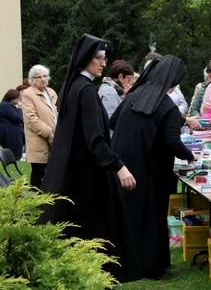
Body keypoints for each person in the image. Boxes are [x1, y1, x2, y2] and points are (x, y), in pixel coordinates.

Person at [39, 33, 142, 283]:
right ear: (85, 58)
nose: (103, 63)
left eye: (104, 58)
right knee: (93, 228)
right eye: (98, 58)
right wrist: (119, 167)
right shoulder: (85, 90)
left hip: (75, 171)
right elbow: (95, 138)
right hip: (87, 174)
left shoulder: (74, 86)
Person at [111, 55, 198, 279]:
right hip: (150, 167)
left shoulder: (135, 95)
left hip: (124, 162)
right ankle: (151, 264)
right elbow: (172, 140)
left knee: (130, 214)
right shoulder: (166, 105)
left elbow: (113, 121)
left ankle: (128, 261)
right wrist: (189, 155)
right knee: (152, 215)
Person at [22, 64, 58, 188]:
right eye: (39, 77)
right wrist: (49, 133)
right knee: (39, 173)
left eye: (45, 76)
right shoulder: (28, 94)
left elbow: (56, 112)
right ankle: (35, 202)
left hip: (55, 137)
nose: (43, 79)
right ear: (32, 79)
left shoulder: (51, 92)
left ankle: (50, 201)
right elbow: (31, 119)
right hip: (39, 140)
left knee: (53, 172)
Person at [0, 89, 24, 159]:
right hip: (10, 136)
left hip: (12, 134)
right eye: (17, 98)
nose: (18, 100)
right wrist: (19, 109)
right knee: (14, 155)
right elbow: (16, 118)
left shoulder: (6, 106)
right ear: (12, 98)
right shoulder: (6, 106)